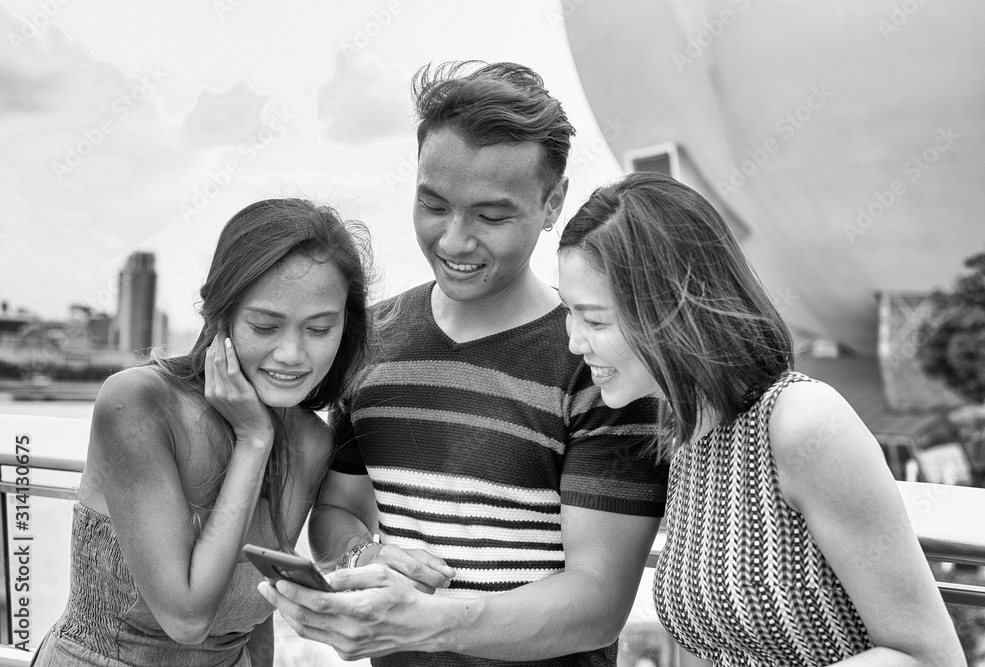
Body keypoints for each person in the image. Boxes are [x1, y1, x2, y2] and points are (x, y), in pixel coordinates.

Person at [258, 62, 668, 666]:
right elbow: (339, 511)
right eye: (433, 205)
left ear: (552, 202)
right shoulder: (370, 341)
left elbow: (598, 603)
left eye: (491, 217)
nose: (453, 241)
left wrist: (427, 625)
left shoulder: (600, 362)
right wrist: (360, 560)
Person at [556, 171, 965, 666]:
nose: (575, 342)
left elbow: (929, 657)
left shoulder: (801, 422)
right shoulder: (686, 433)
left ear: (670, 311)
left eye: (595, 320)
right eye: (569, 313)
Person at [31, 198, 386, 666]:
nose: (292, 353)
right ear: (223, 315)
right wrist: (254, 442)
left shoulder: (312, 442)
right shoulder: (137, 404)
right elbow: (187, 618)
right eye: (265, 325)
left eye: (319, 329)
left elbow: (256, 622)